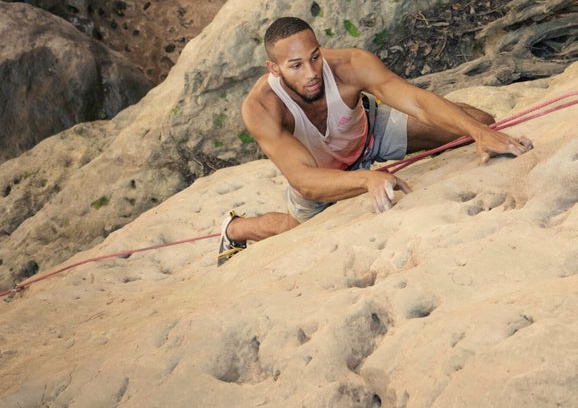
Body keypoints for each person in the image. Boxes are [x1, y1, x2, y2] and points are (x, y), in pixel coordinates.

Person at [218, 15, 533, 263]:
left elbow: (417, 102)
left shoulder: (350, 64)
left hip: (370, 136)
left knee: (480, 121)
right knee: (298, 232)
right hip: (323, 178)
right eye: (296, 65)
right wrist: (367, 179)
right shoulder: (261, 107)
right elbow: (304, 181)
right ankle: (235, 229)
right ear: (273, 68)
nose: (311, 72)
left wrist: (480, 134)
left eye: (315, 57)